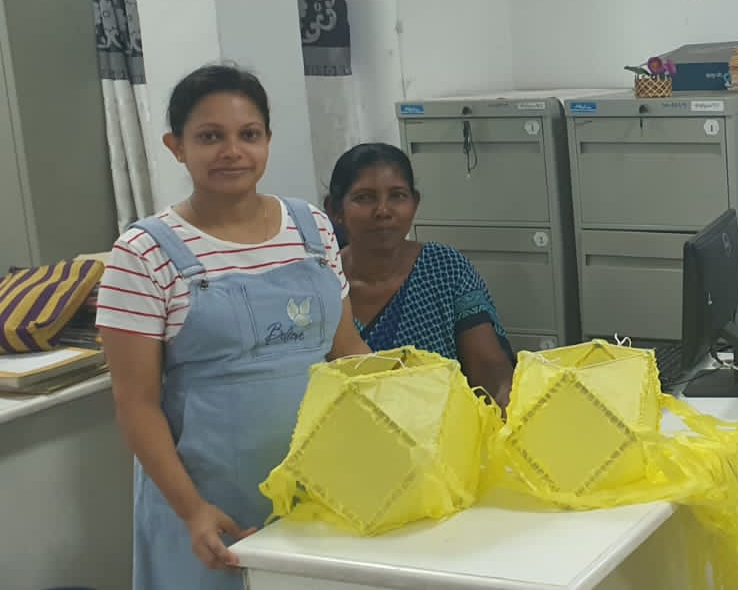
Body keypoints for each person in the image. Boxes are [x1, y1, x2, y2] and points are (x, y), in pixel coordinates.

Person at [97, 64, 371, 589]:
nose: (232, 151)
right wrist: (193, 509)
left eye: (248, 135)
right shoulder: (143, 254)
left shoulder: (311, 228)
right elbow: (135, 404)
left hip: (318, 494)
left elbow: (347, 350)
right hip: (207, 507)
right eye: (209, 137)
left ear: (268, 140)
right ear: (175, 146)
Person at [324, 142, 515, 407]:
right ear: (334, 210)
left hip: (444, 433)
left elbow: (489, 368)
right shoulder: (321, 283)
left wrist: (504, 401)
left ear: (415, 204)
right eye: (364, 197)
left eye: (397, 196)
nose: (383, 211)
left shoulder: (445, 269)